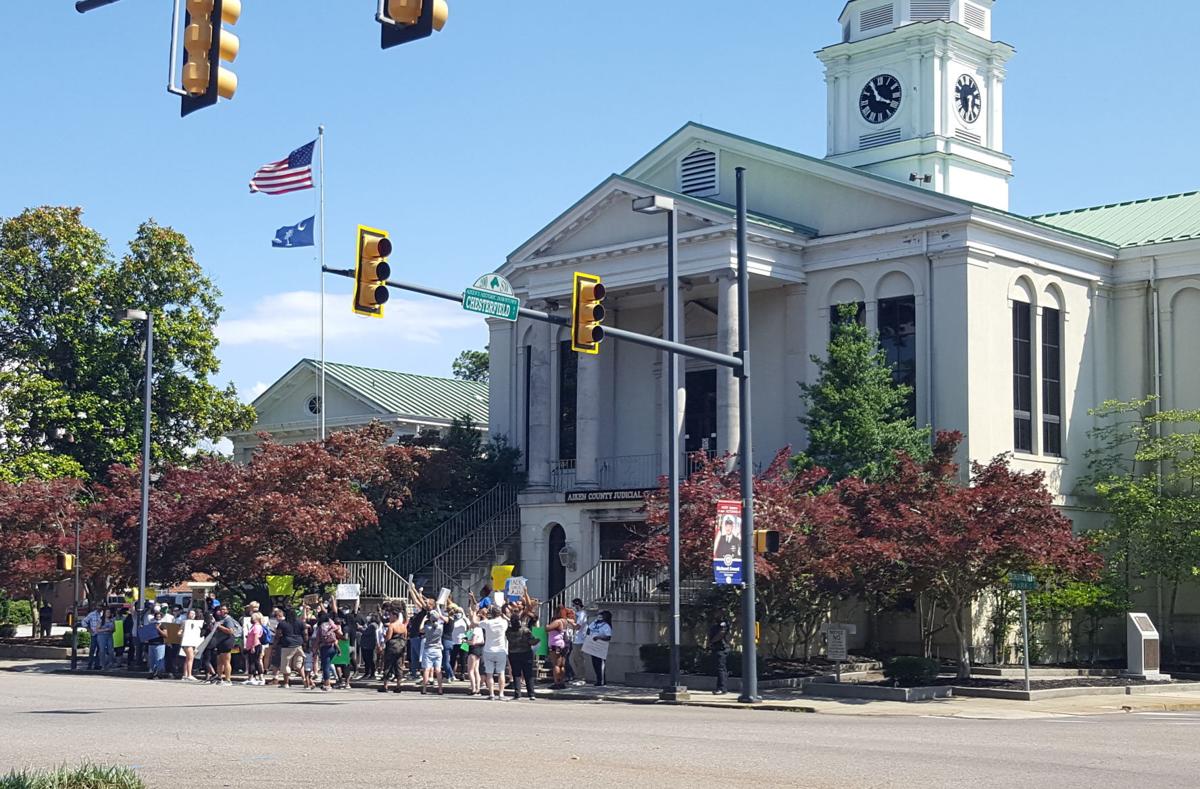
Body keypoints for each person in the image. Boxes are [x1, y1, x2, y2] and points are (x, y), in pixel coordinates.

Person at [506, 607, 540, 701]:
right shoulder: (525, 630)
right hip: (526, 653)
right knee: (528, 674)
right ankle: (531, 694)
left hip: (513, 653)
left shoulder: (508, 631)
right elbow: (531, 641)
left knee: (516, 674)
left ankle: (517, 694)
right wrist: (538, 640)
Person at [479, 605, 509, 701]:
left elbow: (475, 622)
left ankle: (491, 693)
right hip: (501, 650)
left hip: (488, 650)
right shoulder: (504, 622)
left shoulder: (488, 623)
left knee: (489, 673)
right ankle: (501, 693)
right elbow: (509, 620)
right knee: (501, 673)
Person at [274, 608, 306, 689]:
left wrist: (275, 644)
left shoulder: (282, 623)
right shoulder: (300, 622)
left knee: (286, 664)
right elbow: (305, 633)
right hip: (299, 644)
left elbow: (278, 634)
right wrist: (305, 643)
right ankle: (305, 680)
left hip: (287, 645)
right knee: (298, 664)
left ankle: (286, 683)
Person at [420, 601, 447, 695]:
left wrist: (424, 620)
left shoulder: (427, 627)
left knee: (427, 669)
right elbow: (442, 619)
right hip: (438, 649)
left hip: (428, 649)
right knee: (438, 670)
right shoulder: (440, 627)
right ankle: (440, 689)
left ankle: (424, 688)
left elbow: (420, 629)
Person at [378, 609, 407, 693]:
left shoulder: (392, 626)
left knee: (388, 666)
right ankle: (398, 685)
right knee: (398, 666)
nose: (389, 617)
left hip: (392, 647)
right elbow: (405, 637)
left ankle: (385, 685)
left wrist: (384, 637)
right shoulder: (403, 626)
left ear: (395, 616)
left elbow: (388, 637)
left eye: (390, 616)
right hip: (400, 647)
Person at [545, 606, 574, 689]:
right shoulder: (565, 621)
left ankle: (557, 682)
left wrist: (547, 625)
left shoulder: (557, 621)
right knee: (562, 665)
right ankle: (562, 682)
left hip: (555, 644)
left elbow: (547, 629)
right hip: (562, 644)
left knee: (556, 665)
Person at [212, 605, 239, 685]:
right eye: (221, 609)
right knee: (219, 661)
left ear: (227, 610)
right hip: (220, 641)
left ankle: (228, 679)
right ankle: (219, 678)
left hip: (227, 641)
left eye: (224, 609)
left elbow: (230, 631)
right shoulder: (220, 619)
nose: (222, 611)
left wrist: (219, 626)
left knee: (226, 661)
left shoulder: (228, 619)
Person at [316, 611, 342, 692]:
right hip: (333, 647)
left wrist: (315, 649)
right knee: (329, 665)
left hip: (325, 647)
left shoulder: (321, 627)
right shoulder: (330, 624)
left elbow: (317, 639)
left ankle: (327, 684)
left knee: (325, 667)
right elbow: (336, 628)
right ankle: (326, 682)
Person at [586, 610, 613, 687]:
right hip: (593, 646)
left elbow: (608, 637)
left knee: (600, 664)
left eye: (601, 615)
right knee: (594, 663)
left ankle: (601, 680)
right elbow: (589, 629)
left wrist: (598, 637)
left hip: (601, 647)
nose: (599, 617)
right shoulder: (594, 623)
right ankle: (598, 679)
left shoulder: (606, 626)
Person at [442, 605, 466, 682]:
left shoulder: (465, 620)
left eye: (459, 612)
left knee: (463, 659)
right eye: (457, 612)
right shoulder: (453, 620)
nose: (458, 613)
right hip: (454, 642)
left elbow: (470, 629)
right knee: (453, 658)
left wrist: (466, 638)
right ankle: (451, 674)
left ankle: (462, 674)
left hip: (464, 642)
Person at [465, 607, 485, 696]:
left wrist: (465, 642)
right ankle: (477, 688)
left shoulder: (477, 629)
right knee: (476, 670)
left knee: (471, 670)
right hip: (477, 650)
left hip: (474, 649)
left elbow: (472, 642)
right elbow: (467, 637)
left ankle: (474, 689)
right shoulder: (473, 629)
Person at [708, 616, 730, 695]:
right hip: (717, 648)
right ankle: (721, 688)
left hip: (721, 648)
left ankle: (722, 688)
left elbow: (721, 633)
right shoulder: (716, 624)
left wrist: (712, 641)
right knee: (720, 669)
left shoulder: (723, 623)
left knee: (721, 669)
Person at [242, 612, 265, 685]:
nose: (251, 619)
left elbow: (256, 637)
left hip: (255, 646)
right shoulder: (253, 626)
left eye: (253, 618)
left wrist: (253, 647)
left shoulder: (257, 626)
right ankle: (251, 677)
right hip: (251, 645)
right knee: (251, 662)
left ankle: (260, 678)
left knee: (255, 662)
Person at [569, 599, 588, 686]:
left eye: (574, 605)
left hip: (580, 639)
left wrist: (570, 622)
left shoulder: (582, 614)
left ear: (577, 605)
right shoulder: (577, 614)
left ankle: (582, 678)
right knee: (572, 659)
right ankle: (577, 676)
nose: (573, 608)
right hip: (575, 639)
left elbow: (577, 627)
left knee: (579, 659)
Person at [146, 609, 167, 679]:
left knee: (159, 660)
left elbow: (165, 635)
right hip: (151, 644)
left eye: (159, 616)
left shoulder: (163, 625)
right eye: (157, 616)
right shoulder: (151, 624)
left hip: (160, 644)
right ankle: (152, 673)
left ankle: (159, 674)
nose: (158, 617)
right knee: (151, 660)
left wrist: (158, 629)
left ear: (161, 617)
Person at [180, 609, 199, 681]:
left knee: (187, 658)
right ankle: (189, 675)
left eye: (194, 614)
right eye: (191, 613)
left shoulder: (196, 623)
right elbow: (179, 632)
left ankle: (185, 675)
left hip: (193, 642)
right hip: (187, 642)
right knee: (190, 658)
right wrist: (183, 634)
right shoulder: (185, 622)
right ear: (188, 614)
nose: (192, 615)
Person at [82, 605, 102, 670]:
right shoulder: (92, 614)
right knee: (92, 649)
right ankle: (89, 665)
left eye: (101, 606)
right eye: (99, 606)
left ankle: (97, 665)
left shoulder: (104, 614)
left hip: (102, 635)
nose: (100, 607)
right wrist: (89, 629)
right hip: (94, 634)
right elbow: (84, 622)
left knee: (100, 650)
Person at [359, 615, 379, 680]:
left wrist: (360, 628)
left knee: (370, 659)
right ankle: (367, 673)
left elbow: (366, 632)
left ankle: (372, 673)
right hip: (366, 644)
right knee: (366, 660)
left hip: (369, 645)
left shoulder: (373, 625)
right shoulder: (369, 625)